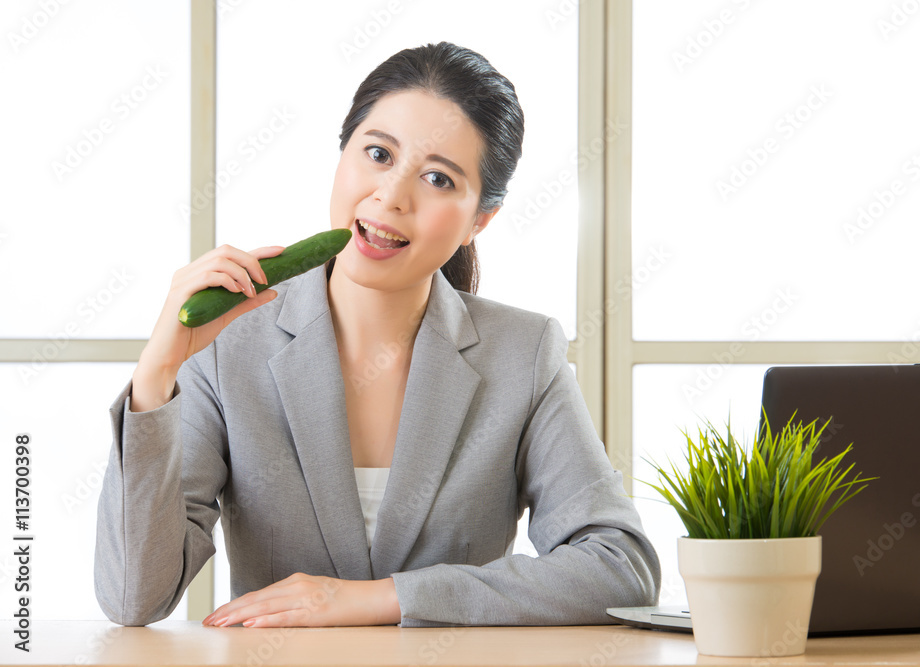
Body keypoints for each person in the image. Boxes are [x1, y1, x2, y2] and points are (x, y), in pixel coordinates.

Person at [95, 41, 660, 628]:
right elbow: (135, 598)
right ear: (342, 157)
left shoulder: (524, 353)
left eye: (439, 178)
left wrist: (383, 598)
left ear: (479, 221)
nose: (391, 196)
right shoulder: (230, 344)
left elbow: (620, 569)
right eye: (378, 154)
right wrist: (157, 375)